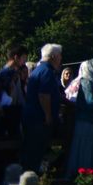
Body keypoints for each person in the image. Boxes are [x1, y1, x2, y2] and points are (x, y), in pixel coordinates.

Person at [20, 44, 63, 175]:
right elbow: (44, 95)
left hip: (33, 117)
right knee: (36, 150)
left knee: (32, 150)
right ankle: (30, 178)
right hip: (39, 118)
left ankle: (28, 175)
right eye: (60, 55)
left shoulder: (39, 69)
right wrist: (48, 115)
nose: (61, 58)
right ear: (53, 56)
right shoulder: (47, 72)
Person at [64, 58, 93, 180]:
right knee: (86, 150)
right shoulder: (86, 82)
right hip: (87, 122)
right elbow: (91, 103)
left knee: (92, 150)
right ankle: (83, 176)